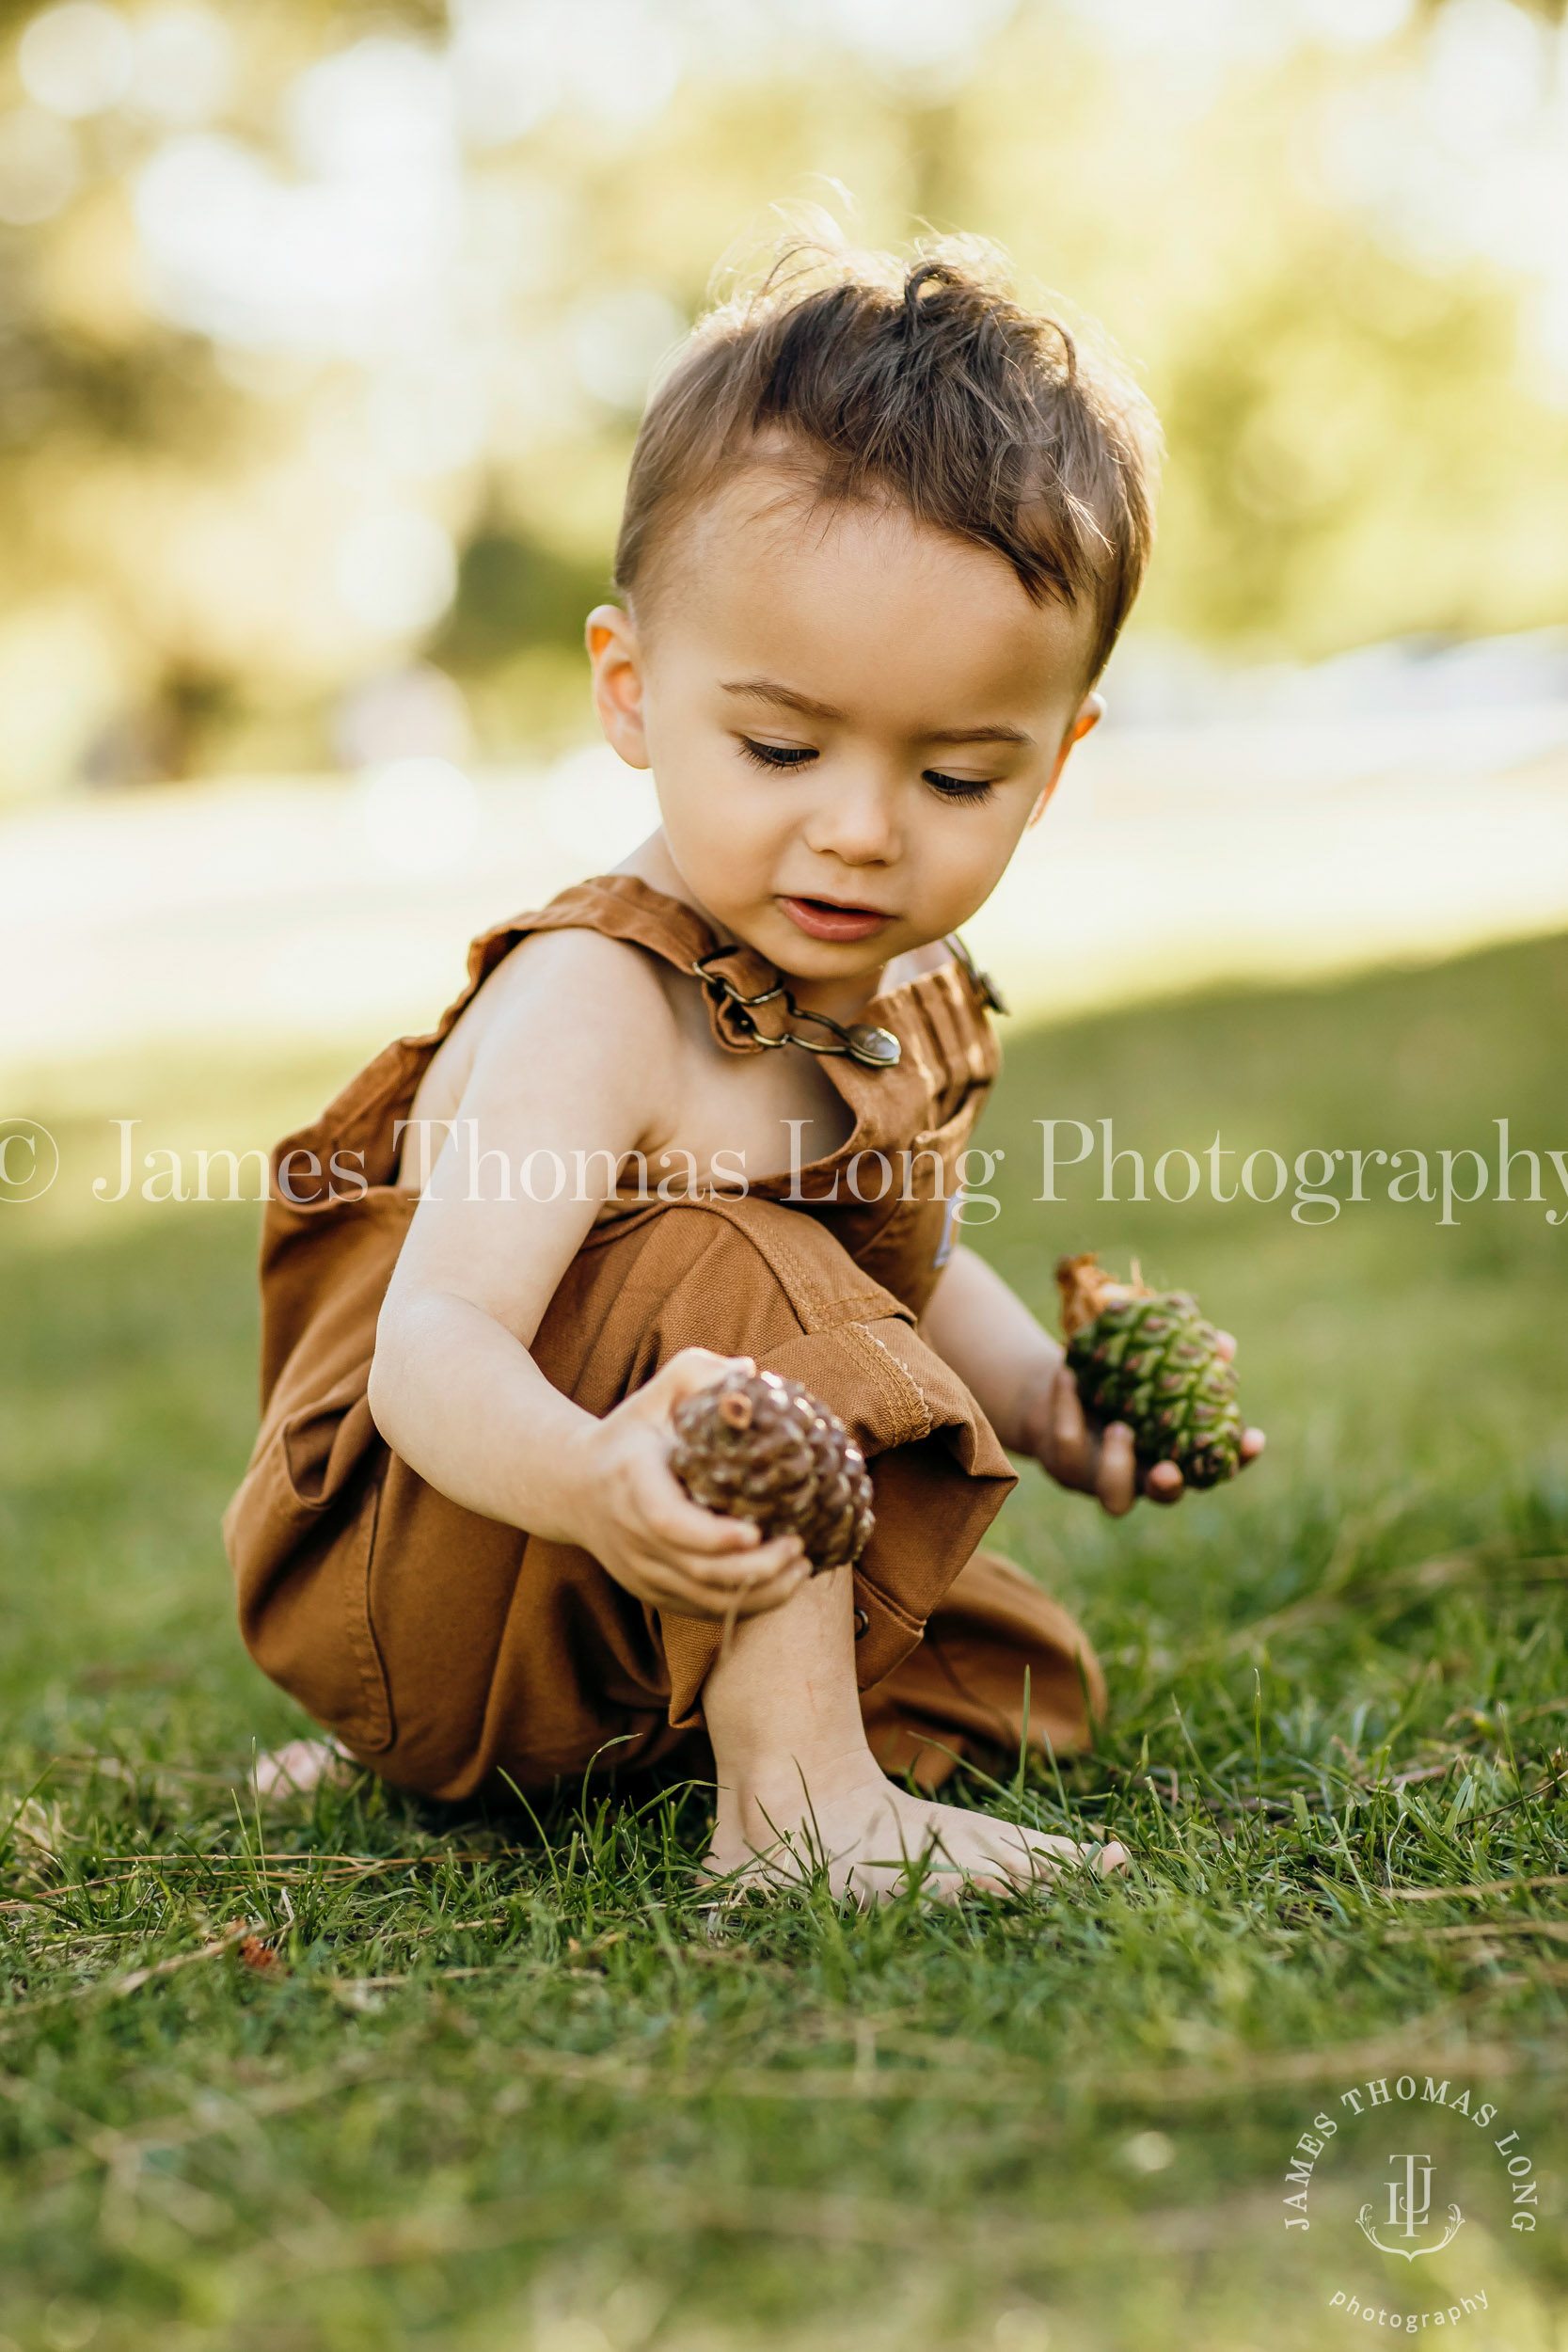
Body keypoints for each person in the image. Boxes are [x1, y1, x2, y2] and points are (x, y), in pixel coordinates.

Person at [225, 235, 1263, 1903]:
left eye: (955, 777)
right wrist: (589, 1474)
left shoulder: (901, 983)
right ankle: (790, 1809)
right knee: (733, 1272)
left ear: (1057, 762)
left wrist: (1050, 1402)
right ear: (632, 693)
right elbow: (433, 1348)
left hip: (635, 1565)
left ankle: (667, 1741)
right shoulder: (598, 1005)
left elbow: (892, 1279)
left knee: (1011, 1681)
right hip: (437, 1539)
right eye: (781, 747)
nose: (857, 832)